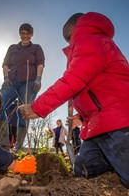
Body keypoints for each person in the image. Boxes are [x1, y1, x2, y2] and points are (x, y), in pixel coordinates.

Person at [18, 12, 129, 188]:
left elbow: (73, 80)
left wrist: (38, 107)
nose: (70, 42)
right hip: (99, 125)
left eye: (69, 37)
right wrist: (83, 117)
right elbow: (96, 92)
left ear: (77, 28)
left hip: (120, 123)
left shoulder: (90, 39)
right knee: (84, 169)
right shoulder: (95, 42)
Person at [0, 23, 45, 151]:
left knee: (24, 112)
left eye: (28, 33)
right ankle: (3, 143)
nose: (25, 35)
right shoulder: (12, 48)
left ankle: (18, 147)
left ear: (31, 35)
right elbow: (5, 64)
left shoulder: (36, 48)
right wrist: (6, 78)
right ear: (19, 34)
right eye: (23, 33)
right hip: (12, 82)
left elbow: (40, 63)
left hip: (29, 82)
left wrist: (38, 79)